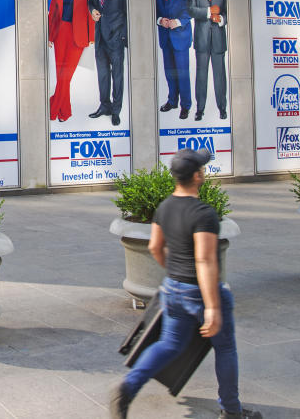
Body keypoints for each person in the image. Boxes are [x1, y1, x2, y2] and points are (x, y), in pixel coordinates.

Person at [108, 149, 261, 419]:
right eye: (202, 169)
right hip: (201, 292)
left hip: (172, 289)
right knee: (225, 348)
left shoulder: (165, 206)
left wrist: (174, 272)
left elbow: (156, 246)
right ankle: (232, 410)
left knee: (169, 344)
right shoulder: (204, 213)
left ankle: (128, 387)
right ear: (197, 176)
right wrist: (212, 307)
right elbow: (204, 260)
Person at [47, 0, 94, 122]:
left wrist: (92, 36)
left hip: (78, 33)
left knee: (66, 75)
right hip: (61, 32)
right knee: (61, 74)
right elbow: (53, 9)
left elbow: (92, 9)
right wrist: (50, 35)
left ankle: (53, 107)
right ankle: (65, 112)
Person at [88, 0, 127, 126]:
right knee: (103, 74)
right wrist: (92, 11)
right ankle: (104, 105)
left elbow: (128, 11)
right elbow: (91, 3)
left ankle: (116, 111)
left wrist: (123, 37)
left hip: (116, 37)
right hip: (100, 37)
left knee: (117, 76)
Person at [188, 0, 228, 121]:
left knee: (220, 76)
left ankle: (222, 108)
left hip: (218, 40)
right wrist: (208, 12)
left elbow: (227, 12)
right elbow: (190, 10)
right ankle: (200, 110)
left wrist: (221, 20)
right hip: (202, 39)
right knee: (201, 76)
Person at [155, 0, 192, 120]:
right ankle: (172, 101)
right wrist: (159, 20)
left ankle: (185, 106)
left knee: (182, 73)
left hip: (180, 37)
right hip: (165, 37)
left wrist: (176, 22)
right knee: (170, 72)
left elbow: (189, 10)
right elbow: (154, 8)